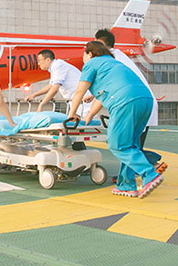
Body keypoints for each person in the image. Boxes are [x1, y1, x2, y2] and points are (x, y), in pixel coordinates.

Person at [68, 41, 163, 198]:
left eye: (84, 55)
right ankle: (126, 184)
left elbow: (79, 92)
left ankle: (149, 174)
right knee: (131, 145)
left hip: (125, 101)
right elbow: (102, 95)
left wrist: (72, 114)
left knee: (117, 144)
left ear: (90, 53)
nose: (83, 58)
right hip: (146, 101)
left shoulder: (92, 64)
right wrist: (89, 116)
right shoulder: (114, 64)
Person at [94, 28, 166, 175]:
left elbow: (109, 87)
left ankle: (153, 164)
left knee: (123, 144)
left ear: (103, 44)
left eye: (97, 44)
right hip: (144, 102)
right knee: (131, 145)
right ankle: (126, 177)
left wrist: (89, 115)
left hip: (135, 103)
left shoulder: (111, 59)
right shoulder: (119, 56)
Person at [24, 49, 83, 115]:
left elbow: (55, 89)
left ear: (48, 60)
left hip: (82, 101)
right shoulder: (54, 67)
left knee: (83, 122)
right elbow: (50, 86)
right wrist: (34, 95)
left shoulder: (59, 65)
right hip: (75, 101)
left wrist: (42, 104)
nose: (38, 64)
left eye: (39, 61)